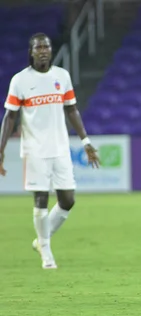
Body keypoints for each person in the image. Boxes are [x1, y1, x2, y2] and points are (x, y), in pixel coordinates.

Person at [0, 33, 100, 269]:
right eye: (38, 47)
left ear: (51, 50)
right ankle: (46, 250)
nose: (43, 50)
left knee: (68, 199)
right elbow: (10, 116)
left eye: (46, 46)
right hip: (34, 149)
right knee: (41, 199)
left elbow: (72, 110)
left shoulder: (61, 76)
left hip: (60, 147)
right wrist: (1, 149)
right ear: (31, 51)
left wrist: (85, 141)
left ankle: (41, 240)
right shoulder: (21, 80)